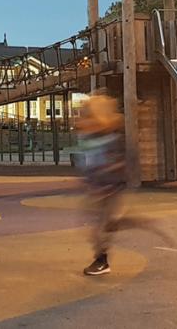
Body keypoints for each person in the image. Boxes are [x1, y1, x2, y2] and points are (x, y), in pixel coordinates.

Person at [75, 92, 126, 276]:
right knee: (95, 224)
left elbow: (115, 165)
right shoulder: (88, 137)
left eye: (88, 115)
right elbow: (86, 161)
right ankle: (112, 226)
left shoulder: (110, 138)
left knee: (99, 228)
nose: (84, 120)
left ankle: (102, 261)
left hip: (108, 188)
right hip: (96, 185)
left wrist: (106, 186)